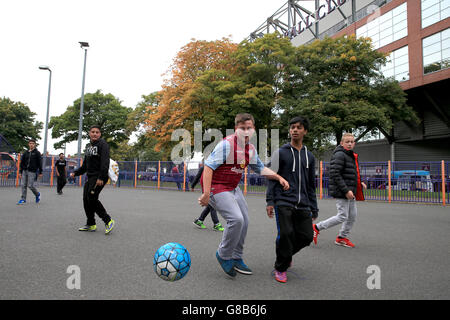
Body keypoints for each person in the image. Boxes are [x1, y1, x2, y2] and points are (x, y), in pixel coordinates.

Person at [199, 113, 289, 277]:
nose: (246, 132)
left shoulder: (251, 149)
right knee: (236, 219)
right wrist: (206, 194)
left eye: (249, 128)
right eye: (242, 128)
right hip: (216, 186)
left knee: (245, 221)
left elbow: (261, 168)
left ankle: (236, 256)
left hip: (232, 187)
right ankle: (224, 254)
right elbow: (208, 167)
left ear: (254, 130)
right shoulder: (226, 145)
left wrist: (278, 177)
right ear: (236, 129)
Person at [266, 116, 318, 283]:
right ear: (289, 131)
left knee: (306, 237)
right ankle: (280, 267)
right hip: (283, 201)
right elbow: (271, 176)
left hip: (303, 203)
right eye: (292, 127)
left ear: (305, 131)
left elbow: (311, 184)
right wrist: (270, 201)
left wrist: (314, 207)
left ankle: (285, 254)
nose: (295, 130)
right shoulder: (280, 153)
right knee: (286, 233)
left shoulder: (309, 156)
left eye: (299, 127)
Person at [312, 132, 367, 248]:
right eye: (347, 142)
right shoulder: (340, 155)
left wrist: (359, 183)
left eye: (352, 142)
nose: (350, 144)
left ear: (354, 143)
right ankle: (316, 227)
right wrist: (346, 191)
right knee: (343, 216)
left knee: (352, 216)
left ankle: (341, 238)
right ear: (342, 143)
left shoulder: (350, 155)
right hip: (343, 191)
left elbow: (351, 173)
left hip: (350, 190)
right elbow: (335, 174)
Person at [70, 125, 115, 235]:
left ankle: (108, 220)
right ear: (89, 133)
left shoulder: (103, 144)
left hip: (99, 176)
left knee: (92, 197)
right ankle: (91, 224)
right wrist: (76, 173)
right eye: (93, 132)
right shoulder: (88, 146)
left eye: (97, 132)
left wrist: (101, 177)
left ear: (100, 134)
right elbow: (85, 165)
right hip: (90, 177)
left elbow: (105, 162)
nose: (95, 134)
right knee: (86, 199)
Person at [191, 164, 224, 231]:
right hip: (207, 190)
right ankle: (216, 224)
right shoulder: (203, 168)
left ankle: (199, 220)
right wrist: (193, 185)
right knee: (212, 206)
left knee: (209, 207)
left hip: (213, 188)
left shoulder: (216, 167)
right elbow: (197, 177)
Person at [17, 139, 42, 205]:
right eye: (30, 143)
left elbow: (40, 163)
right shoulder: (26, 153)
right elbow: (21, 163)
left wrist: (40, 172)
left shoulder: (37, 153)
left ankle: (37, 194)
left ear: (35, 144)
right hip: (24, 171)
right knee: (23, 185)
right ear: (28, 144)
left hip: (32, 171)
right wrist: (20, 171)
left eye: (33, 143)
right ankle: (23, 199)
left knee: (30, 185)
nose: (31, 144)